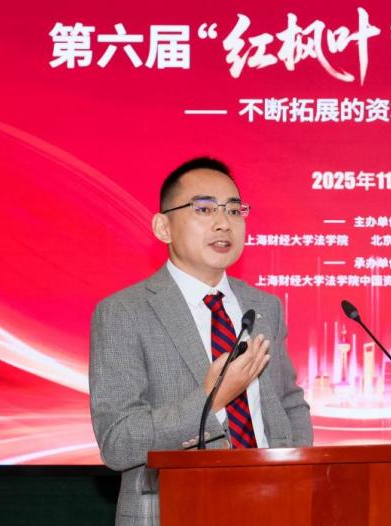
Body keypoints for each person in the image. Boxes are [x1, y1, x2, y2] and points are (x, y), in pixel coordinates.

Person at [89, 157, 312, 525]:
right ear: (163, 227)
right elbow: (118, 441)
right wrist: (211, 400)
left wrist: (296, 477)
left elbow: (290, 402)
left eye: (234, 210)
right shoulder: (123, 312)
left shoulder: (264, 307)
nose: (224, 223)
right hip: (174, 510)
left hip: (275, 506)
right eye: (204, 209)